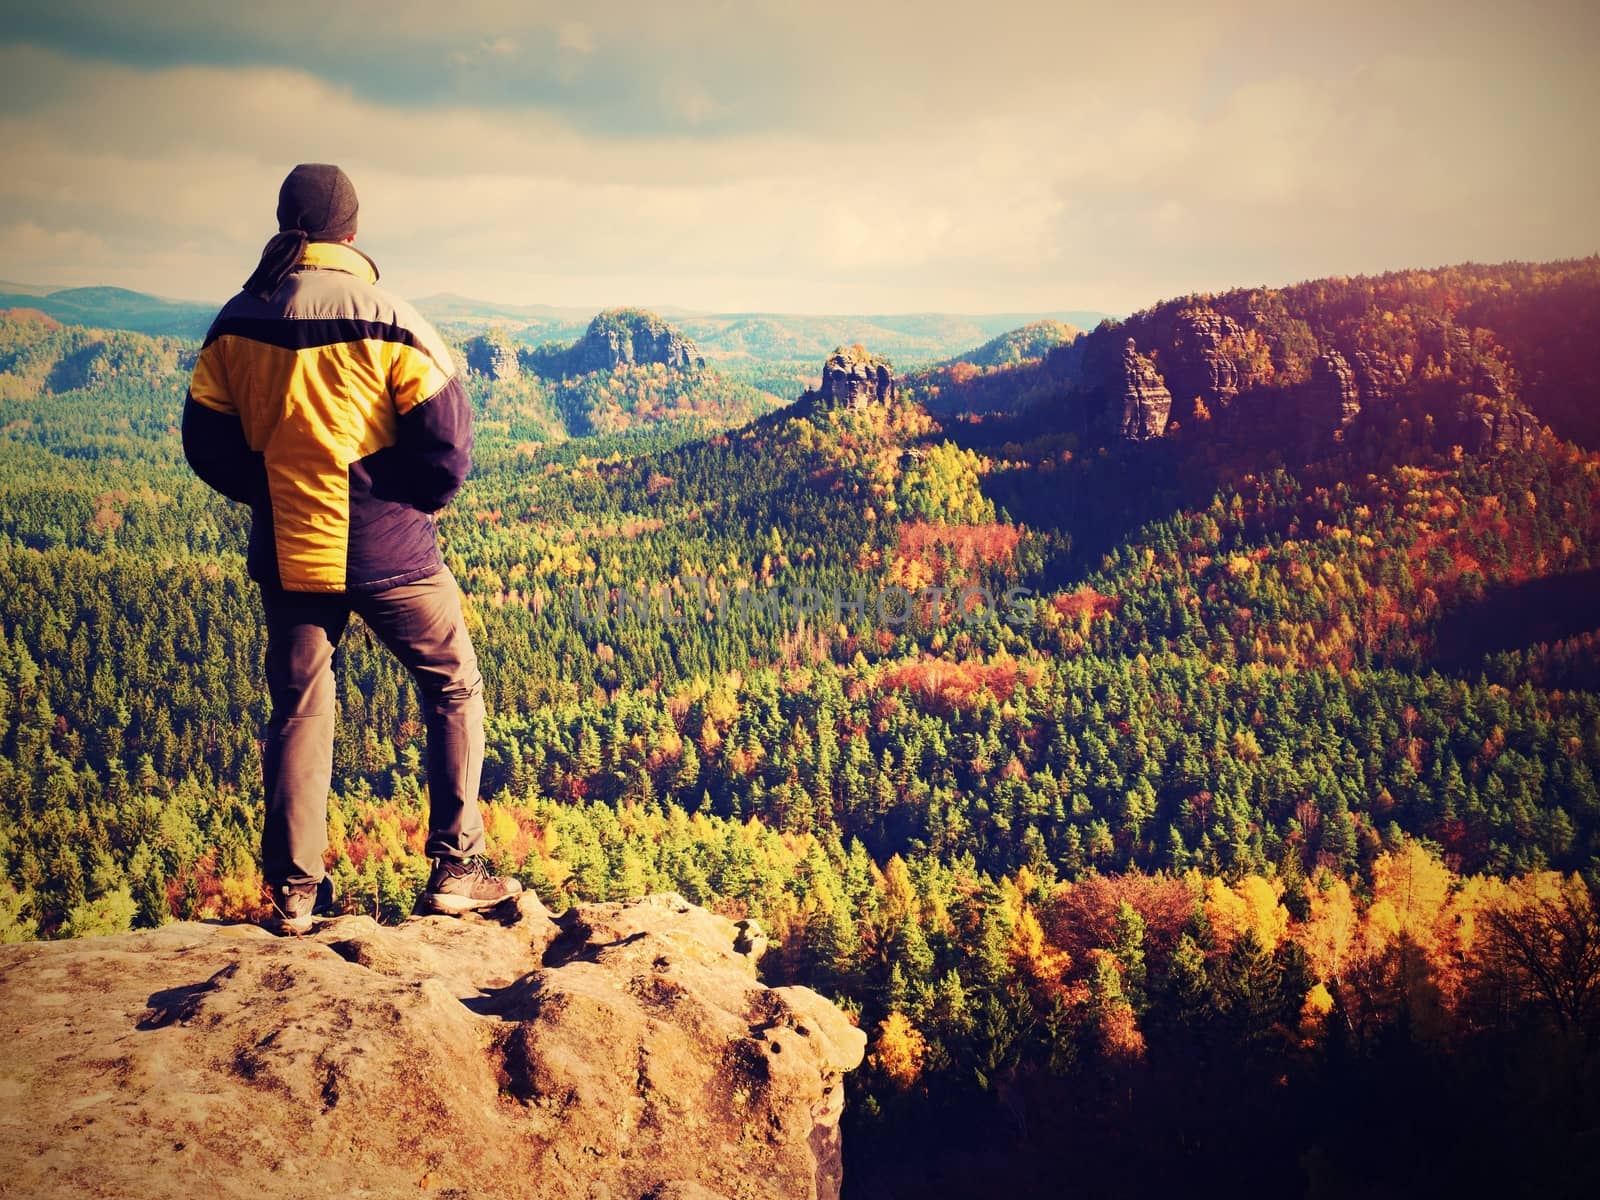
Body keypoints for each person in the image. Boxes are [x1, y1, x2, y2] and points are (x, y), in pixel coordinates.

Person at [182, 163, 521, 935]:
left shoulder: (236, 321)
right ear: (353, 232)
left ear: (284, 226)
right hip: (390, 549)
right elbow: (448, 447)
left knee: (300, 708)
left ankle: (297, 892)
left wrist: (274, 490)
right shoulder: (391, 318)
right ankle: (455, 867)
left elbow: (205, 442)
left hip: (291, 549)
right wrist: (402, 502)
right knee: (453, 686)